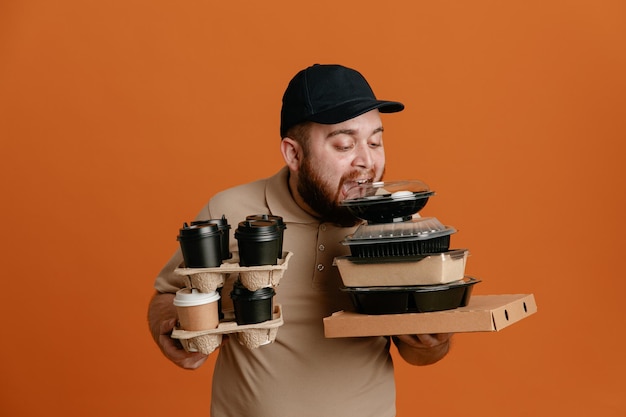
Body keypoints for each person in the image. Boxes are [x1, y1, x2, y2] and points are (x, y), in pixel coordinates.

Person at [148, 64, 453, 417]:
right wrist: (173, 324)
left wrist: (434, 339)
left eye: (375, 141)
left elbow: (423, 352)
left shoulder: (398, 228)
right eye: (344, 144)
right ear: (293, 154)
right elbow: (168, 296)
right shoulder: (228, 211)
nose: (367, 161)